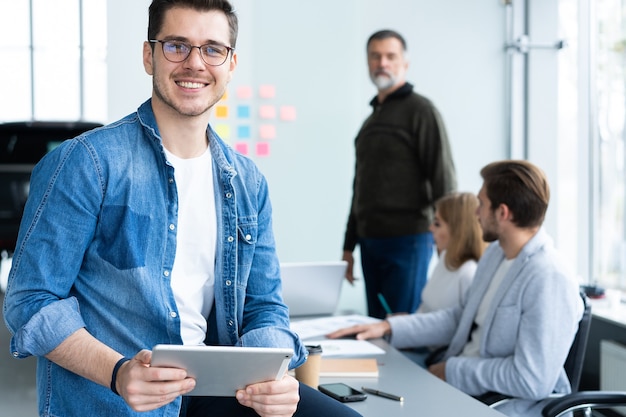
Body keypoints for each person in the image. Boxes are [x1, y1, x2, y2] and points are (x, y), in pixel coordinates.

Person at [2, 1, 362, 417]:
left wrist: (275, 376)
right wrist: (119, 373)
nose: (195, 63)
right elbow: (30, 300)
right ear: (148, 55)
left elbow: (264, 307)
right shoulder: (86, 163)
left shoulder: (247, 181)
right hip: (115, 396)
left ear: (230, 63)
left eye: (212, 49)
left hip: (217, 389)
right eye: (177, 46)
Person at [330, 160, 584, 417]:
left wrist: (454, 370)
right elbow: (460, 318)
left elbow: (531, 379)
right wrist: (389, 327)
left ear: (502, 213)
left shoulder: (549, 276)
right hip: (464, 389)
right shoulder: (496, 254)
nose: (476, 213)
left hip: (503, 405)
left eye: (482, 204)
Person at [342, 29, 457, 319]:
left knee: (400, 329)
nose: (382, 63)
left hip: (409, 241)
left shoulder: (422, 111)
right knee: (376, 328)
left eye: (390, 56)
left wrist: (451, 241)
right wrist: (348, 246)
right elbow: (360, 188)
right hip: (370, 243)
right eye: (375, 56)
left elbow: (444, 180)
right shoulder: (371, 121)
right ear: (368, 62)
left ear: (404, 63)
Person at [418, 192, 486, 314]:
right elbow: (425, 311)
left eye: (437, 224)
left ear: (458, 231)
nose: (431, 228)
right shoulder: (445, 259)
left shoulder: (469, 274)